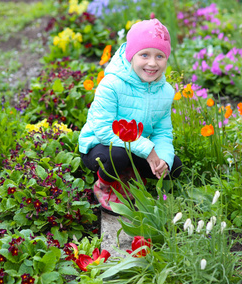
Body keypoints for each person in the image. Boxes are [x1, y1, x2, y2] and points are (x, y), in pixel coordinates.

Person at [78, 18, 182, 214]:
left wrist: (163, 159)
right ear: (130, 55)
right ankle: (104, 184)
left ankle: (129, 174)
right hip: (99, 146)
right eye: (144, 55)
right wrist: (146, 149)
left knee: (174, 167)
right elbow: (102, 130)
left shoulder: (165, 92)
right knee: (119, 154)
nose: (152, 63)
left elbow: (163, 132)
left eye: (160, 56)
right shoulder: (112, 84)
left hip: (135, 147)